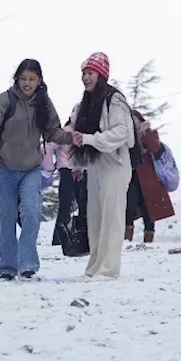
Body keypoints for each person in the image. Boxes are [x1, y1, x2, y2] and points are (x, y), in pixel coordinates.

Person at [0, 59, 73, 280]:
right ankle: (8, 268)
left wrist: (70, 137)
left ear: (39, 80)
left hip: (31, 168)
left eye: (32, 79)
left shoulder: (44, 103)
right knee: (6, 216)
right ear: (17, 79)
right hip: (4, 168)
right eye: (23, 79)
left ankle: (28, 265)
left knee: (31, 212)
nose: (27, 83)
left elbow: (53, 132)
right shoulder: (6, 99)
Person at [67, 52, 134, 279]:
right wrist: (77, 162)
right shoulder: (85, 102)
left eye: (90, 73)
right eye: (84, 73)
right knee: (95, 218)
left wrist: (90, 139)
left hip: (115, 163)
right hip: (95, 165)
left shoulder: (114, 100)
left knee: (112, 218)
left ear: (101, 75)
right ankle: (94, 266)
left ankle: (108, 269)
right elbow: (76, 132)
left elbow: (122, 132)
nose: (86, 78)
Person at [125, 110, 180, 243]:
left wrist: (146, 132)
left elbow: (154, 147)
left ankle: (148, 239)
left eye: (136, 121)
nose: (134, 124)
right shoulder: (124, 137)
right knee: (128, 207)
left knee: (148, 209)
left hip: (149, 179)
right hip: (130, 178)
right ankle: (126, 240)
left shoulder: (148, 135)